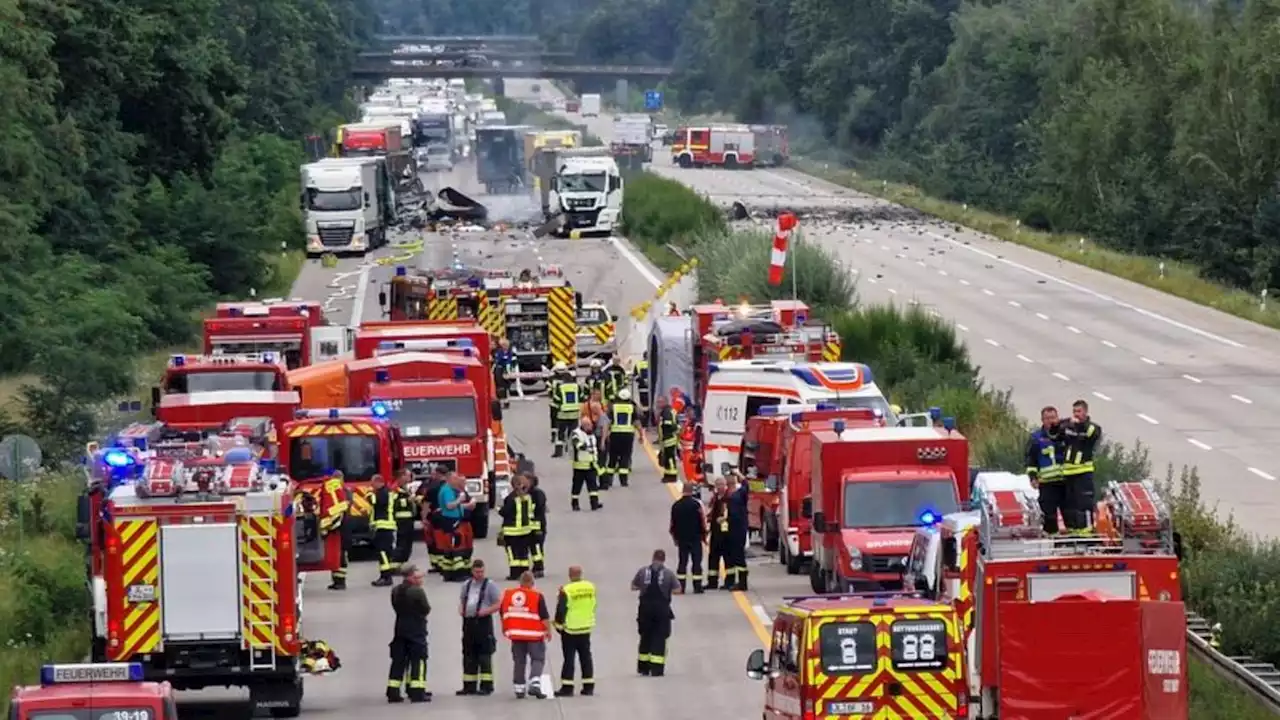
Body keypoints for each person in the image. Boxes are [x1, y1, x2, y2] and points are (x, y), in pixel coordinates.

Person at [500, 571, 553, 699]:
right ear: (532, 582)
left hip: (516, 635)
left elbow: (503, 612)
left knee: (519, 661)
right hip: (534, 635)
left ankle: (519, 689)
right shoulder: (537, 595)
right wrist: (549, 631)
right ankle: (534, 683)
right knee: (537, 659)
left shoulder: (508, 594)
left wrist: (505, 628)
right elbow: (544, 616)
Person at [631, 549, 681, 677]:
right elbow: (677, 590)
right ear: (663, 559)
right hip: (661, 610)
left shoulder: (643, 571)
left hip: (645, 609)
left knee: (645, 636)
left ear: (652, 558)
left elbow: (633, 586)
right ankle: (657, 669)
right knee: (659, 637)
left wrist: (643, 587)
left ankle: (643, 667)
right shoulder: (668, 574)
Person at [456, 559, 502, 696]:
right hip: (468, 623)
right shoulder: (467, 584)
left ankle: (487, 686)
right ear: (472, 571)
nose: (480, 574)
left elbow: (498, 603)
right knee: (469, 654)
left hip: (483, 623)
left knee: (484, 655)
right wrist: (461, 610)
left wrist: (485, 612)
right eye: (477, 571)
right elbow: (462, 600)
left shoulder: (490, 585)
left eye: (482, 571)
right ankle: (469, 685)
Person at [387, 564, 431, 703]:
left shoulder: (395, 590)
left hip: (400, 628)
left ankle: (393, 692)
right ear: (411, 576)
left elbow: (395, 607)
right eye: (418, 577)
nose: (420, 579)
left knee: (399, 661)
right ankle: (417, 691)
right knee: (418, 660)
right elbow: (426, 608)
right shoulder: (417, 591)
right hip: (416, 629)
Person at [553, 565, 597, 697]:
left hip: (570, 629)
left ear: (570, 575)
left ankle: (567, 687)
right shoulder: (590, 587)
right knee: (586, 657)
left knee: (569, 659)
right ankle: (588, 686)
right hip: (585, 627)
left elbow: (561, 610)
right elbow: (593, 604)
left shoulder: (566, 590)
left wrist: (558, 626)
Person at [1025, 406, 1069, 534]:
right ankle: (1053, 542)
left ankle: (1072, 542)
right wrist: (1033, 477)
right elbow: (1030, 460)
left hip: (1066, 482)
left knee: (1070, 514)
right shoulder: (1036, 438)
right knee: (1049, 516)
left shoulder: (1066, 435)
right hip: (1047, 483)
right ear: (1042, 420)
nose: (1051, 421)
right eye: (1047, 418)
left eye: (1053, 418)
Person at [1062, 399, 1103, 531]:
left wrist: (1079, 425)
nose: (1076, 414)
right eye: (1074, 411)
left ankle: (1087, 533)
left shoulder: (1091, 427)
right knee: (1070, 505)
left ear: (1085, 412)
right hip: (1068, 473)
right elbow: (1057, 430)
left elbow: (1093, 433)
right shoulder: (1069, 425)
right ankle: (1073, 532)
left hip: (1083, 472)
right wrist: (1067, 424)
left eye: (1079, 411)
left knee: (1084, 504)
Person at [435, 473, 477, 581]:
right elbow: (449, 506)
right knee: (457, 546)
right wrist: (460, 499)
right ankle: (458, 573)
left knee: (451, 548)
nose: (457, 480)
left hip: (454, 520)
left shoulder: (450, 489)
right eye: (455, 478)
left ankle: (448, 573)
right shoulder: (447, 490)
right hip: (451, 520)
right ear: (449, 479)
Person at [670, 483, 707, 594]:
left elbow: (672, 525)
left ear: (683, 490)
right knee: (696, 563)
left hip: (682, 539)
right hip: (695, 538)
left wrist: (675, 538)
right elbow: (703, 521)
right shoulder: (697, 505)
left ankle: (681, 587)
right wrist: (704, 536)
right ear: (692, 491)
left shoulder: (676, 505)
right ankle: (697, 587)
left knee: (682, 563)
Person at [500, 475, 537, 579]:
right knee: (523, 554)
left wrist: (500, 509)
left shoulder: (511, 498)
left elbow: (505, 512)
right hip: (525, 530)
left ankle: (514, 574)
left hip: (512, 531)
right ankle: (524, 573)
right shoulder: (528, 497)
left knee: (513, 554)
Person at [320, 471, 350, 590]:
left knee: (341, 554)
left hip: (342, 527)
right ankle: (337, 580)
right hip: (340, 526)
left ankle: (340, 581)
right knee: (336, 554)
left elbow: (341, 509)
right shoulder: (342, 491)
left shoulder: (342, 492)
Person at [603, 388, 636, 488]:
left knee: (612, 458)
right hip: (628, 435)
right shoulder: (632, 407)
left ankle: (609, 481)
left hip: (615, 434)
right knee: (625, 457)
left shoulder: (613, 407)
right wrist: (642, 435)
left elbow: (607, 423)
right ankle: (624, 481)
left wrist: (604, 437)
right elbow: (637, 421)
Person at [724, 471, 750, 591]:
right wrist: (739, 474)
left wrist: (724, 519)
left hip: (736, 531)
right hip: (741, 529)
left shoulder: (734, 498)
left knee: (738, 557)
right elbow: (746, 485)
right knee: (738, 556)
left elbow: (733, 517)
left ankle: (742, 583)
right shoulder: (740, 494)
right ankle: (741, 581)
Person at [371, 474, 398, 587]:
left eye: (373, 483)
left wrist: (369, 494)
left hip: (383, 526)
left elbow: (374, 502)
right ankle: (385, 576)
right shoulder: (387, 492)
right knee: (386, 552)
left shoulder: (382, 493)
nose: (372, 486)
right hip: (387, 526)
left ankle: (386, 577)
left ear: (379, 482)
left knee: (382, 552)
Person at [419, 468, 447, 574]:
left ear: (439, 474)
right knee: (444, 541)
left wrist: (424, 518)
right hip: (448, 518)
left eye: (434, 474)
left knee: (433, 542)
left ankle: (437, 564)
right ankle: (443, 564)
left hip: (434, 518)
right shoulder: (451, 487)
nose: (432, 476)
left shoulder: (432, 488)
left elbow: (426, 504)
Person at [570, 416, 602, 511]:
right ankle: (575, 503)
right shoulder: (576, 433)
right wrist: (584, 445)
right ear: (583, 425)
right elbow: (577, 444)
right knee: (577, 486)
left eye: (590, 425)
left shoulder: (591, 434)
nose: (590, 427)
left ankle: (594, 503)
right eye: (587, 425)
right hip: (579, 465)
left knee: (593, 485)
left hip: (591, 464)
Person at [550, 365, 581, 458]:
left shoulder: (561, 387)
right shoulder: (577, 387)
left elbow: (556, 400)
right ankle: (574, 451)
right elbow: (582, 397)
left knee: (560, 435)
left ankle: (558, 452)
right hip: (574, 414)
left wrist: (555, 408)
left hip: (562, 415)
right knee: (574, 434)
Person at [705, 477, 730, 589]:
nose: (719, 487)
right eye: (717, 485)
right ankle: (712, 582)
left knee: (727, 558)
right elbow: (710, 512)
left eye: (721, 484)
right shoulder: (714, 498)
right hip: (715, 532)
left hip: (726, 533)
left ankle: (729, 581)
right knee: (713, 557)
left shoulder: (729, 498)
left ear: (725, 485)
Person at [392, 469, 417, 567]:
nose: (409, 478)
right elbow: (394, 503)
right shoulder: (395, 488)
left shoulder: (405, 488)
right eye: (408, 475)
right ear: (402, 476)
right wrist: (407, 500)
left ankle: (404, 566)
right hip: (401, 521)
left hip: (408, 520)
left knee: (408, 544)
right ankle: (396, 566)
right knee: (401, 544)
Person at [527, 473, 549, 577]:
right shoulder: (526, 493)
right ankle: (536, 567)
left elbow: (539, 509)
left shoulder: (537, 493)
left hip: (538, 525)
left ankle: (539, 568)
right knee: (533, 548)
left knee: (537, 548)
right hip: (529, 526)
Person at [656, 396, 680, 483]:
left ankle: (672, 476)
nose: (658, 404)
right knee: (667, 457)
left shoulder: (666, 412)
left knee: (669, 457)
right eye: (658, 402)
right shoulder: (669, 410)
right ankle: (667, 474)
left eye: (660, 402)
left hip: (668, 438)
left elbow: (668, 425)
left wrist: (664, 436)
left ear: (665, 402)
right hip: (669, 437)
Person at [494, 338, 516, 407]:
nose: (505, 347)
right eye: (503, 345)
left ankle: (507, 402)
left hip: (507, 370)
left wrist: (509, 365)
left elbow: (511, 360)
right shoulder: (499, 352)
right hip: (499, 370)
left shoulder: (510, 352)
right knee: (500, 387)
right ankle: (500, 401)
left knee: (507, 387)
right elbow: (498, 360)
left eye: (506, 345)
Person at [632, 355, 651, 428]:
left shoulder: (638, 364)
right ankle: (648, 421)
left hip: (642, 388)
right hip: (649, 388)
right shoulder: (654, 363)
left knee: (644, 406)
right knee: (647, 406)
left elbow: (635, 376)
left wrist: (642, 381)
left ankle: (645, 421)